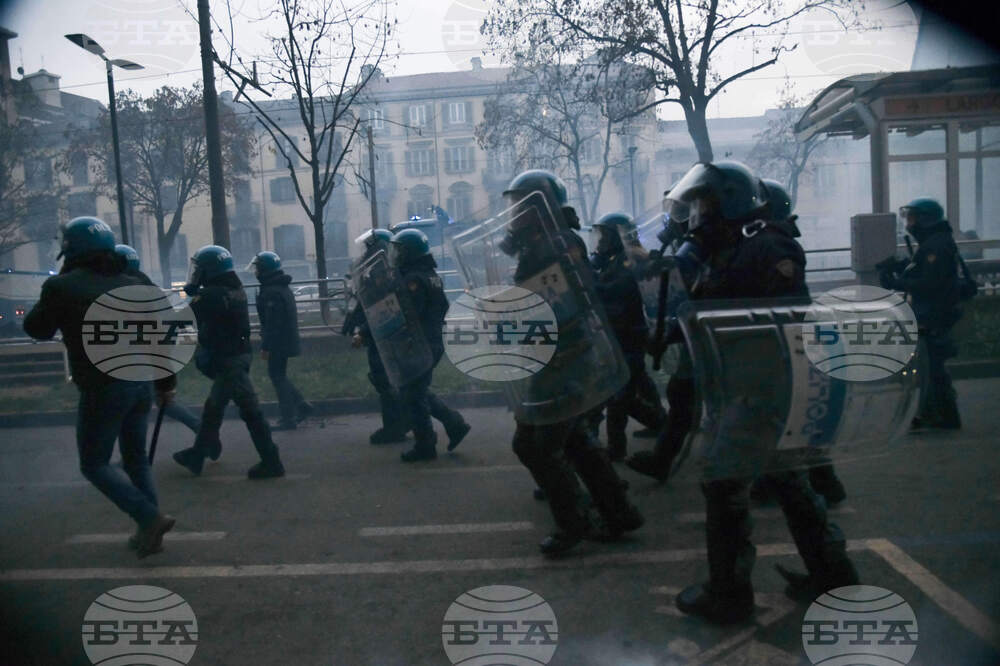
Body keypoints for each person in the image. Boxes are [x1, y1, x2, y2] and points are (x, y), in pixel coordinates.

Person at [662, 162, 858, 624]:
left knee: (723, 482)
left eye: (702, 205)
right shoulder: (730, 248)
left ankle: (728, 594)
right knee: (789, 481)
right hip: (750, 386)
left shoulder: (766, 244)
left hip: (764, 388)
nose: (695, 216)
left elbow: (779, 316)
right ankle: (835, 576)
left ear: (728, 203)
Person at [499, 169, 643, 555]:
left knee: (534, 445)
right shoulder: (550, 242)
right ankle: (618, 510)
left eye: (519, 205)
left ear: (538, 207)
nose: (513, 214)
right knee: (575, 437)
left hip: (563, 357)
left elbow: (555, 306)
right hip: (562, 355)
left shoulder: (550, 246)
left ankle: (574, 521)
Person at [24, 217, 175, 558]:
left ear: (71, 249)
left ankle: (149, 518)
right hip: (141, 383)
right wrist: (166, 383)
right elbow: (159, 337)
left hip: (103, 385)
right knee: (136, 459)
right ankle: (150, 532)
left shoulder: (63, 287)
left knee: (94, 464)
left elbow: (37, 328)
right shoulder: (135, 281)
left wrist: (60, 280)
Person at [172, 245, 286, 479]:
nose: (196, 273)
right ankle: (197, 454)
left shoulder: (211, 295)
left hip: (228, 360)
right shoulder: (233, 289)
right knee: (213, 408)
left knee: (251, 412)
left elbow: (181, 315)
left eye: (200, 269)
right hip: (237, 355)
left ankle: (272, 461)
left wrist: (187, 291)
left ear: (209, 270)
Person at [387, 229, 470, 462]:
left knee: (412, 394)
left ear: (410, 253)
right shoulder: (429, 274)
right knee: (417, 390)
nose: (396, 255)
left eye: (400, 250)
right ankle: (455, 424)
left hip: (422, 343)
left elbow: (409, 313)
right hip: (432, 340)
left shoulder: (413, 279)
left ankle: (426, 444)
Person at [880, 197, 963, 429]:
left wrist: (899, 283)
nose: (909, 224)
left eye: (913, 218)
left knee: (930, 367)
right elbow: (926, 271)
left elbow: (931, 282)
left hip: (934, 313)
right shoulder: (935, 243)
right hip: (935, 311)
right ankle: (942, 415)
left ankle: (936, 415)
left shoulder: (935, 247)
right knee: (932, 367)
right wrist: (901, 267)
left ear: (926, 220)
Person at [589, 212, 666, 461]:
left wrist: (590, 283)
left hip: (628, 334)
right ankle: (660, 422)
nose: (600, 242)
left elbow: (615, 292)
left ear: (616, 237)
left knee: (619, 397)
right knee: (633, 386)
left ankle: (617, 448)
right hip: (623, 335)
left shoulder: (628, 261)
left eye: (605, 236)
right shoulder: (614, 260)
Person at [114, 243, 203, 436]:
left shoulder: (124, 294)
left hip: (138, 360)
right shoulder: (150, 289)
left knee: (135, 411)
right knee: (160, 402)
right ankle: (201, 430)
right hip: (151, 358)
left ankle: (134, 459)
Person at [343, 229, 411, 444]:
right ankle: (398, 423)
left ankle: (395, 427)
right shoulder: (376, 270)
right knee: (386, 381)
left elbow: (381, 307)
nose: (364, 252)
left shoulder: (383, 272)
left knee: (386, 381)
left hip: (384, 335)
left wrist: (361, 330)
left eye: (367, 247)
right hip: (378, 334)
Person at [249, 251, 313, 431]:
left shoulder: (271, 291)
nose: (255, 271)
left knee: (277, 377)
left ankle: (288, 418)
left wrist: (266, 346)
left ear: (264, 269)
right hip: (285, 339)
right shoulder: (279, 286)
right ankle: (301, 406)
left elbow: (272, 323)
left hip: (278, 342)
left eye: (257, 268)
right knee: (279, 375)